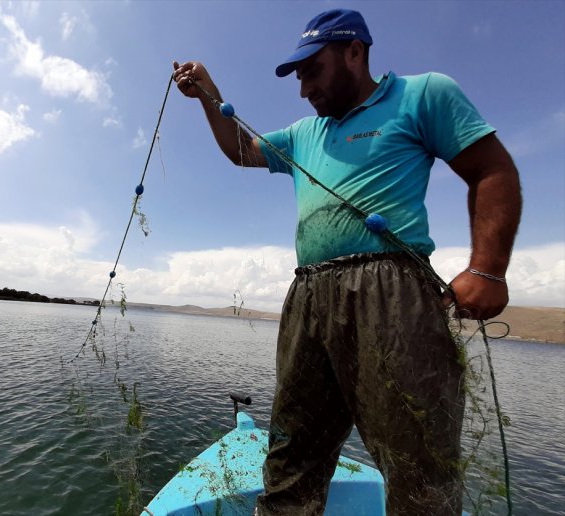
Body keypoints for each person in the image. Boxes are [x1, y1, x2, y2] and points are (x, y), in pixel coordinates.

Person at [173, 7, 521, 516]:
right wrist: (207, 92)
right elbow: (240, 150)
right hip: (308, 297)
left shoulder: (423, 94)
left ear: (355, 52)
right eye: (297, 76)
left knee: (416, 460)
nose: (302, 88)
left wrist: (487, 269)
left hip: (391, 294)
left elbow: (492, 170)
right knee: (293, 451)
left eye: (311, 70)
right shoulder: (301, 134)